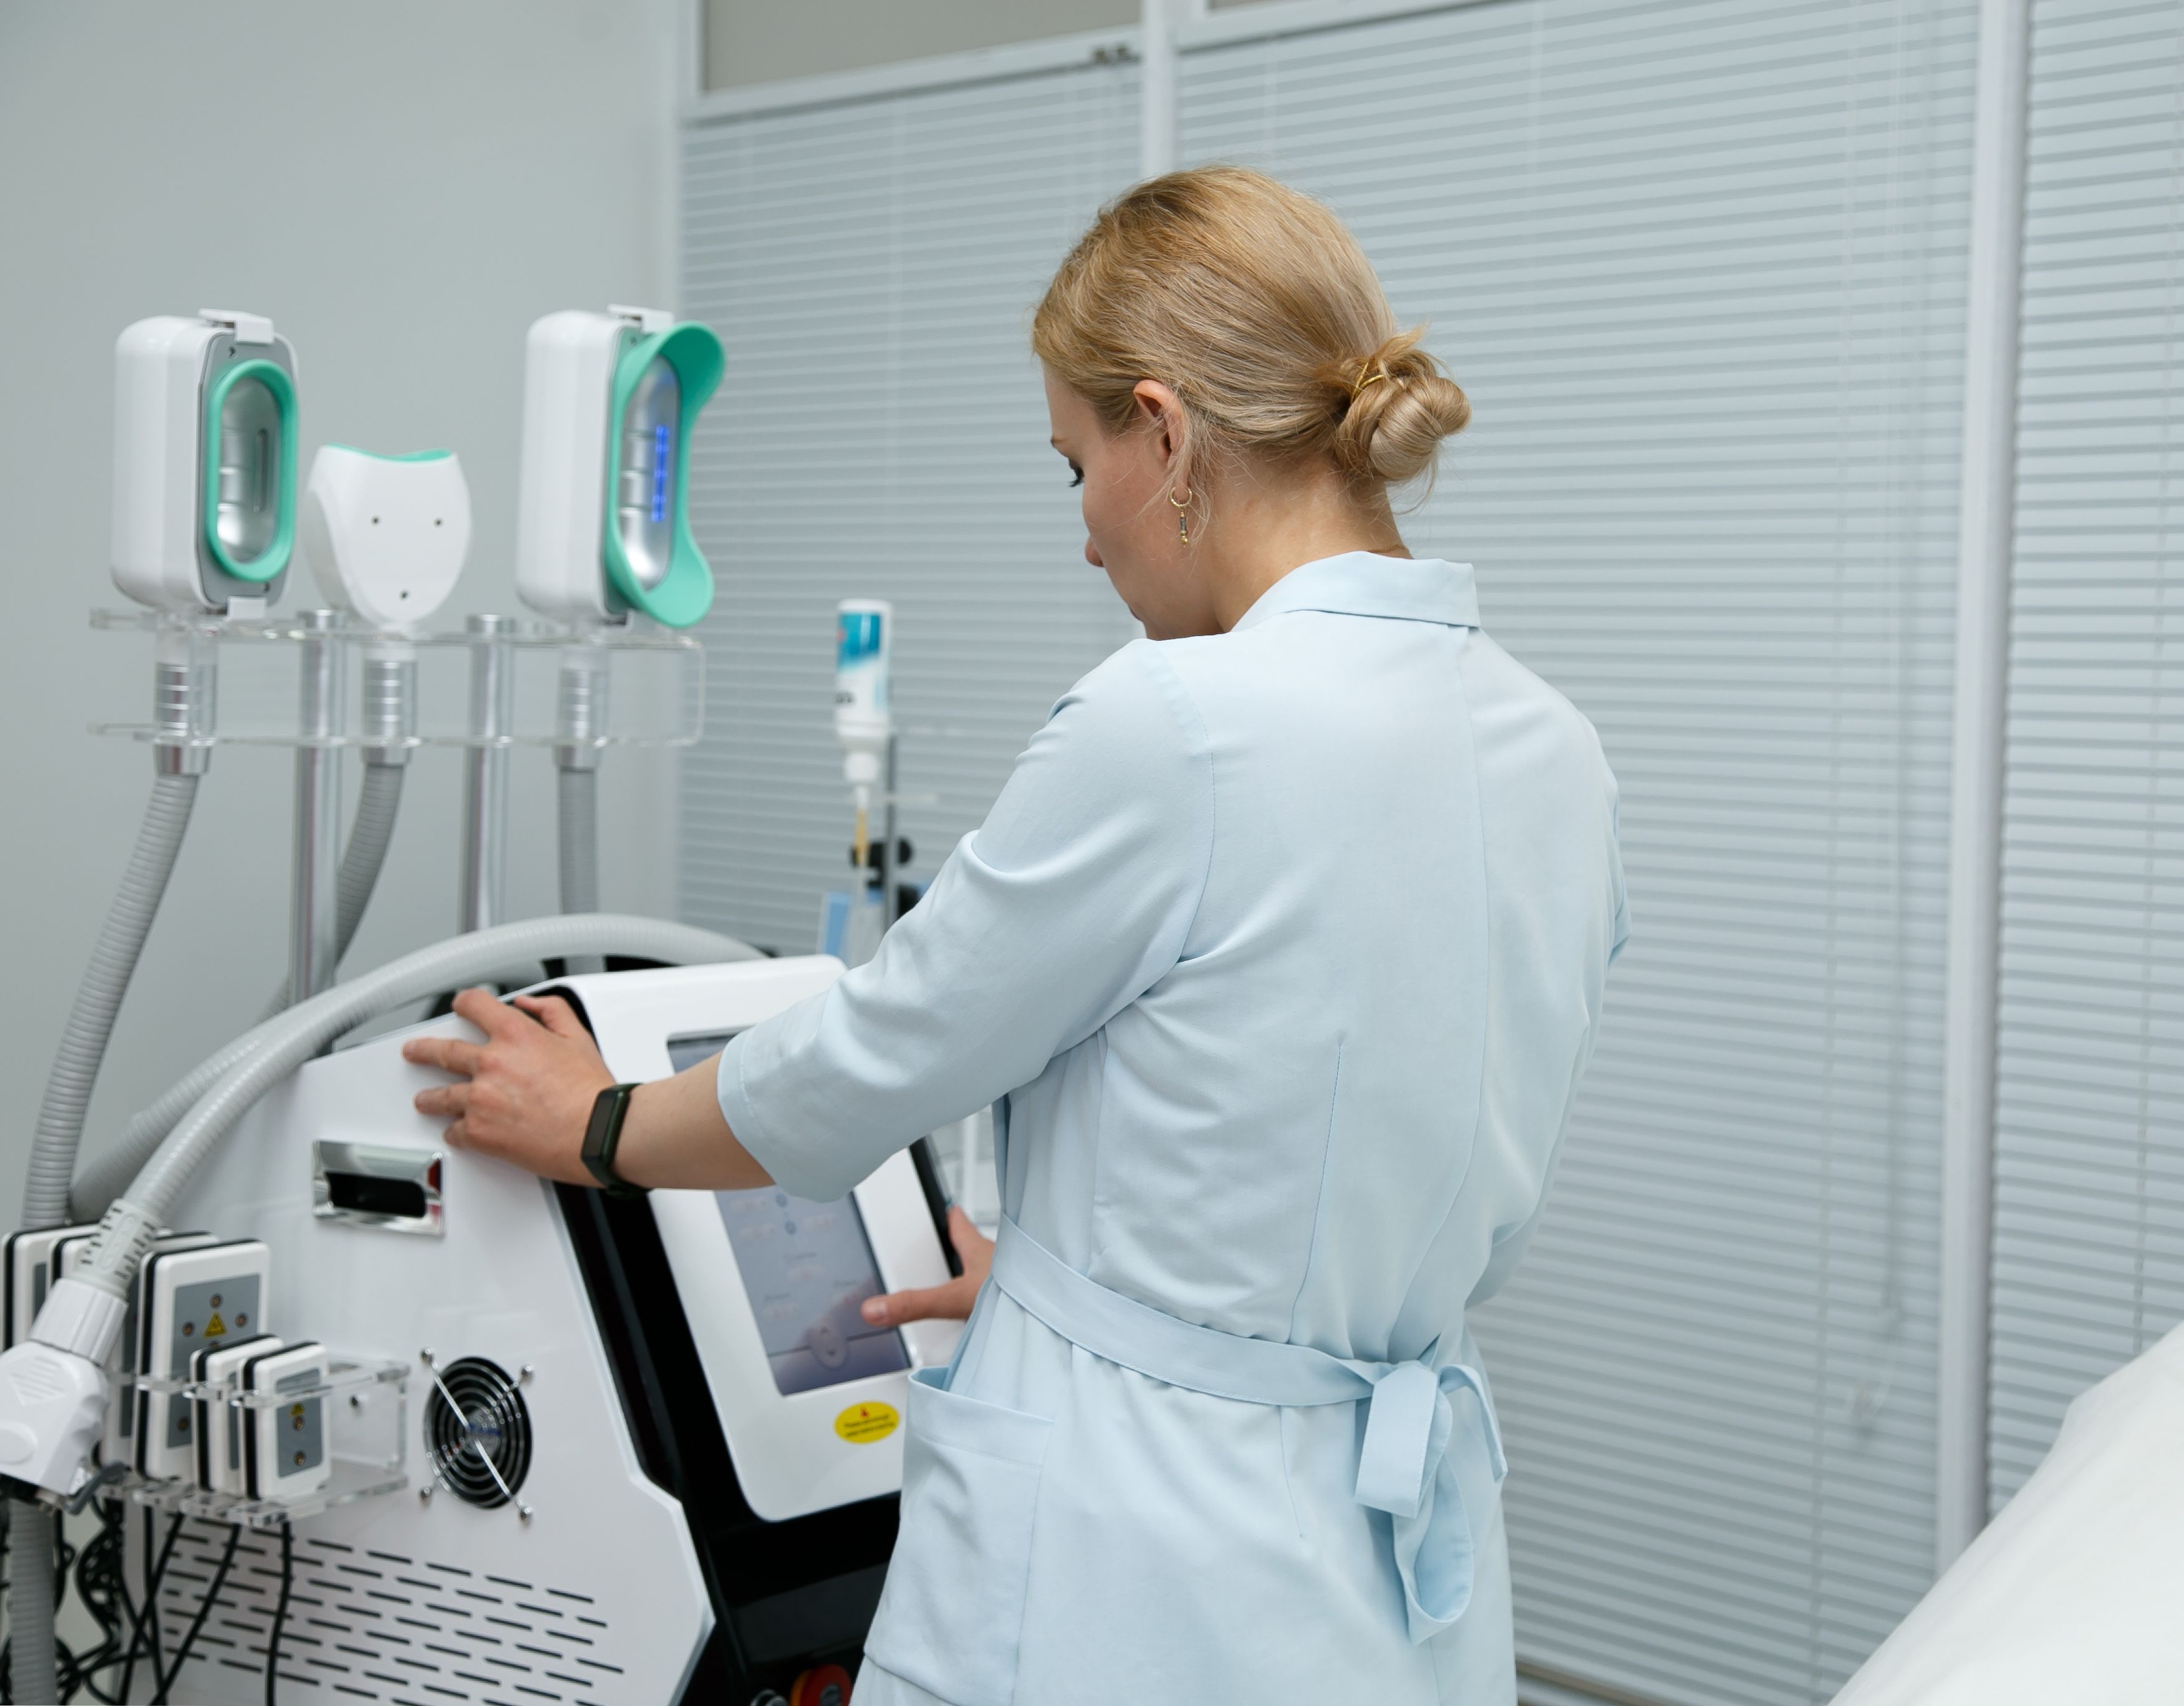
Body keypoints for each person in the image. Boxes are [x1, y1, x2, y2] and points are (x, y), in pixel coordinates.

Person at [405, 166, 1629, 1705]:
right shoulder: (1553, 748)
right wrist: (1084, 1279)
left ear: (1165, 433)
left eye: (1075, 467)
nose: (1089, 539)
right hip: (1391, 1583)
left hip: (1145, 1566)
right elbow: (1357, 1159)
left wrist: (596, 1121)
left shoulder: (1181, 723)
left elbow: (867, 1064)